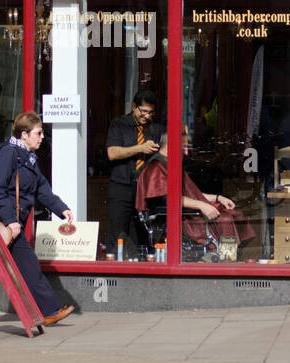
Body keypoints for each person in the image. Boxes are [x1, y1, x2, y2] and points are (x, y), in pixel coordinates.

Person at [0, 112, 76, 329]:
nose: (42, 137)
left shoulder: (28, 157)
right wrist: (12, 220)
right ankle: (49, 310)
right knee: (29, 263)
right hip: (6, 222)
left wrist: (62, 209)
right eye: (38, 133)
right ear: (24, 135)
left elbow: (42, 188)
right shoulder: (8, 154)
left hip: (12, 223)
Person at [136, 132, 257, 250]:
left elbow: (193, 194)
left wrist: (218, 198)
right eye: (183, 148)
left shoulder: (171, 164)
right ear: (170, 146)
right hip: (175, 218)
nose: (187, 152)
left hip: (187, 212)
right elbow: (167, 199)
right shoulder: (156, 167)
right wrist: (201, 205)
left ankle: (231, 256)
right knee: (225, 220)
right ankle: (226, 258)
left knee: (236, 215)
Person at [104, 89, 164, 257]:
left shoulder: (157, 128)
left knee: (144, 233)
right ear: (134, 107)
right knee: (117, 230)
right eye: (143, 111)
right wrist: (141, 148)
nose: (147, 116)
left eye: (151, 113)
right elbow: (112, 153)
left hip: (147, 189)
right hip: (121, 185)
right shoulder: (119, 124)